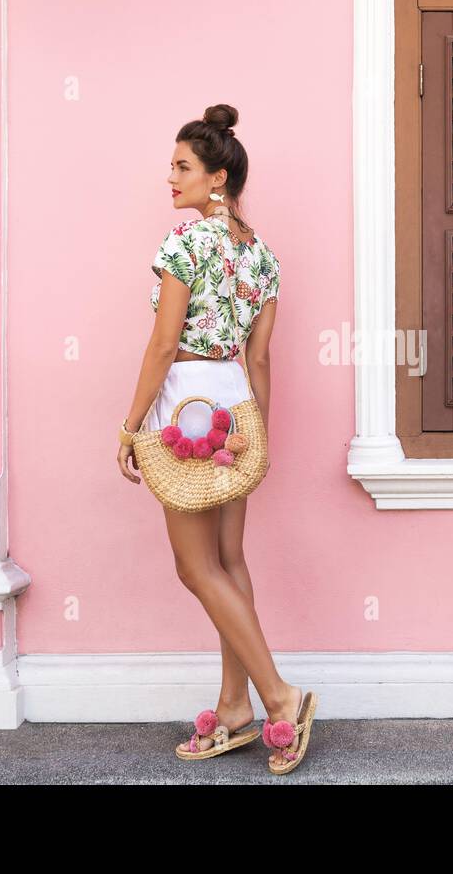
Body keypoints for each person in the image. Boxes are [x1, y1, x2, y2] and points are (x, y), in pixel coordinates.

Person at [116, 104, 315, 775]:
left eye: (182, 167)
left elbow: (164, 343)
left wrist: (130, 424)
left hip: (187, 409)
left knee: (194, 567)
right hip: (235, 406)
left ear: (218, 178)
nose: (169, 178)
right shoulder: (262, 257)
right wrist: (259, 432)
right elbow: (261, 360)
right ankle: (235, 707)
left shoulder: (184, 245)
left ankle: (279, 694)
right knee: (229, 560)